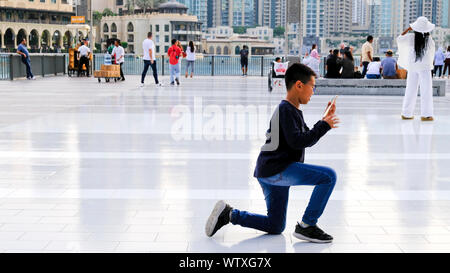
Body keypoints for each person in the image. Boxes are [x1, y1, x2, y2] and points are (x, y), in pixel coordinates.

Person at [205, 63, 339, 243]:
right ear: (299, 85)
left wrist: (323, 121)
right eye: (312, 87)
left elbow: (305, 137)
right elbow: (299, 141)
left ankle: (230, 215)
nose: (313, 91)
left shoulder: (292, 110)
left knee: (275, 225)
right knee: (329, 176)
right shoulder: (286, 109)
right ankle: (308, 225)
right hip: (278, 169)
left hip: (269, 171)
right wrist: (324, 126)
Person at [397, 16, 435, 121]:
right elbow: (432, 53)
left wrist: (408, 29)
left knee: (410, 89)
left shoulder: (410, 37)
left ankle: (406, 113)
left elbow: (399, 39)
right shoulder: (429, 39)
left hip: (413, 67)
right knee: (426, 91)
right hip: (425, 68)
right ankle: (426, 114)